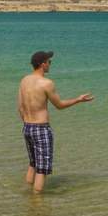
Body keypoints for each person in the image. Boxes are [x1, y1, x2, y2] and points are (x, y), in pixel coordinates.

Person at [16, 50, 91, 194]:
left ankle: (27, 192)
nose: (50, 64)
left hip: (27, 127)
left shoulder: (24, 80)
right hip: (41, 129)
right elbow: (59, 105)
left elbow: (20, 107)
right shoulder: (46, 83)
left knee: (33, 163)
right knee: (42, 169)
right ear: (42, 64)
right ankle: (36, 200)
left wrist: (27, 122)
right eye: (49, 62)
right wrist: (78, 100)